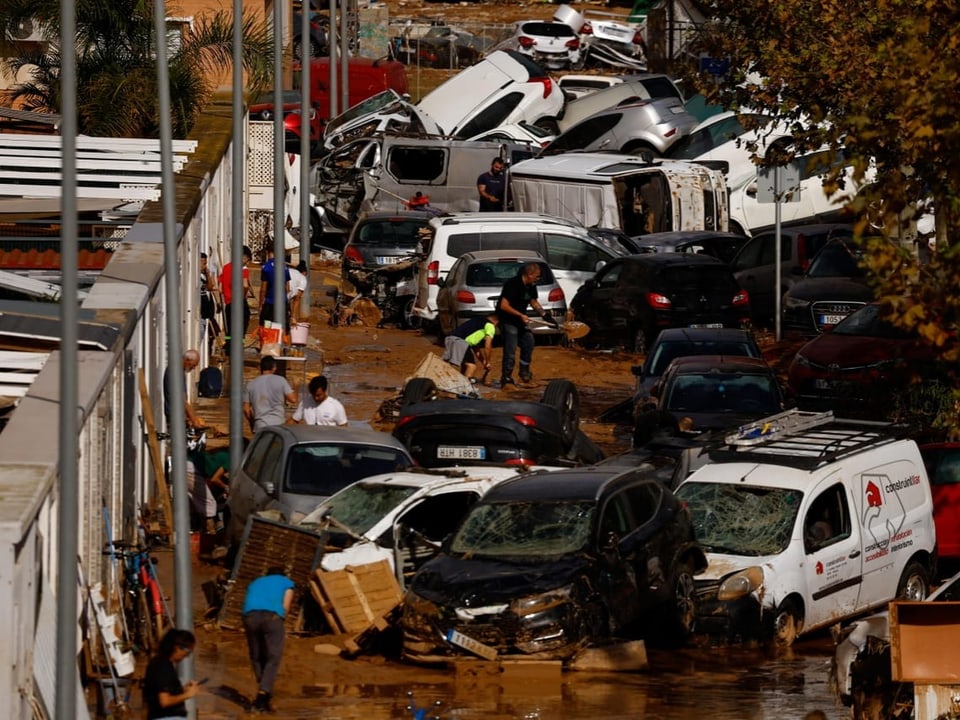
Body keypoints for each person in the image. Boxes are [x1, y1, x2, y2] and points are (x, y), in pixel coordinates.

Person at [242, 566, 295, 713]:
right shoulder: (287, 582)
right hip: (271, 617)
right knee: (273, 656)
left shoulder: (256, 582)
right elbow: (286, 606)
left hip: (250, 616)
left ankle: (264, 692)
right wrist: (279, 620)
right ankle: (263, 694)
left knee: (256, 656)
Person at [495, 263, 553, 387]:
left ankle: (524, 372)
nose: (538, 279)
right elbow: (503, 305)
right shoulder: (513, 284)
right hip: (508, 320)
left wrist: (544, 315)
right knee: (510, 349)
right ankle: (506, 377)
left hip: (520, 321)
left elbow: (533, 301)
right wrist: (520, 315)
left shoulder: (531, 286)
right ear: (529, 274)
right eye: (537, 276)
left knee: (529, 341)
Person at [142, 628, 201, 719]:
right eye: (188, 651)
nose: (187, 655)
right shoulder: (164, 667)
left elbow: (155, 694)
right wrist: (188, 694)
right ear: (177, 647)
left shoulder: (157, 663)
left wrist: (180, 690)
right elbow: (164, 701)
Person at [243, 355, 298, 433]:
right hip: (278, 425)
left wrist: (253, 423)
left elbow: (246, 409)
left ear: (260, 368)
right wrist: (296, 387)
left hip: (260, 425)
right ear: (274, 368)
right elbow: (293, 399)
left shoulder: (251, 385)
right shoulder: (281, 380)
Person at [442, 313, 499, 384]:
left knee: (463, 365)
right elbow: (488, 346)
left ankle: (453, 381)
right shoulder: (490, 325)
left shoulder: (477, 322)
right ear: (496, 322)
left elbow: (476, 349)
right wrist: (488, 361)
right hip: (460, 342)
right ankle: (464, 388)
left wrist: (484, 362)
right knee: (472, 366)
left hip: (450, 339)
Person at [220, 245, 254, 354]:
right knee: (241, 327)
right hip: (239, 302)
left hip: (229, 303)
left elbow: (220, 287)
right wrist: (244, 295)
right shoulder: (243, 269)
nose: (247, 262)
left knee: (230, 328)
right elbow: (245, 285)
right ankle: (239, 349)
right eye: (248, 259)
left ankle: (229, 350)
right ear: (244, 257)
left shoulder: (225, 268)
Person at [163, 349, 206, 431]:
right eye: (193, 365)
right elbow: (182, 399)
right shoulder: (175, 371)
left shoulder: (179, 370)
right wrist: (194, 420)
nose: (193, 368)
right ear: (187, 360)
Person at [258, 243, 291, 345]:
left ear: (268, 252)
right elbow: (287, 287)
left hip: (269, 304)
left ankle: (266, 347)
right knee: (284, 326)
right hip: (282, 302)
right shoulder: (284, 267)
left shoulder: (266, 267)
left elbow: (263, 288)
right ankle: (285, 348)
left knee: (266, 325)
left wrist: (260, 304)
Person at [199, 252, 222, 352]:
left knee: (213, 330)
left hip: (207, 304)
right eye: (203, 263)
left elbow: (210, 287)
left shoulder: (204, 275)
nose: (205, 266)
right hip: (201, 305)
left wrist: (208, 274)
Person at [286, 258, 308, 324]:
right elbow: (297, 298)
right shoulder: (303, 278)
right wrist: (293, 317)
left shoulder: (289, 270)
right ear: (304, 272)